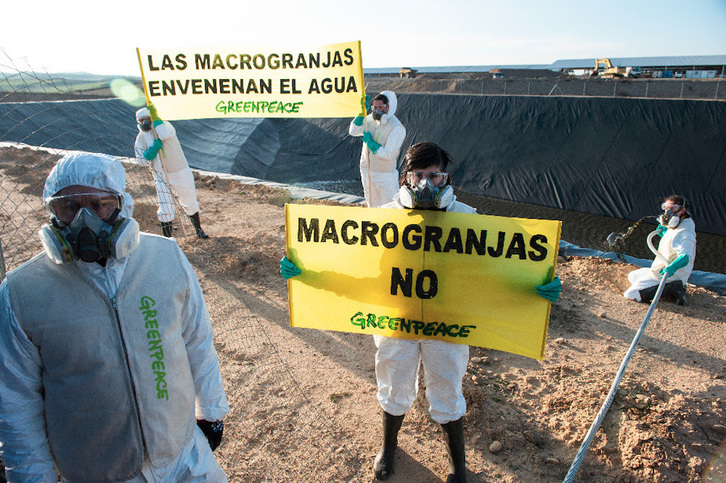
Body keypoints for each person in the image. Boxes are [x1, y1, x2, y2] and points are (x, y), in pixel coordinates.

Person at [280, 142, 561, 482]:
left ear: (447, 178)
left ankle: (457, 464)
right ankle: (389, 447)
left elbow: (496, 269)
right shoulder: (385, 218)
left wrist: (533, 285)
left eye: (434, 175)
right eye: (419, 175)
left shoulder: (469, 220)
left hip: (448, 324)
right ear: (406, 178)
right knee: (393, 381)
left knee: (447, 386)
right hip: (397, 318)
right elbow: (355, 263)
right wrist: (307, 271)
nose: (427, 183)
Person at [0, 152, 229, 482]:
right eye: (70, 207)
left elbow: (197, 340)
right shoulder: (22, 293)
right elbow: (16, 405)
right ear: (53, 213)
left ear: (123, 205)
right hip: (99, 473)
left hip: (184, 460)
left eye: (99, 204)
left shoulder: (166, 258)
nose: (84, 220)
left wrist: (211, 411)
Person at [134, 103, 209, 239]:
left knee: (189, 200)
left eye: (147, 119)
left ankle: (199, 230)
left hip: (179, 170)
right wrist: (152, 151)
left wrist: (156, 118)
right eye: (141, 121)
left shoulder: (165, 126)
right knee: (165, 207)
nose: (144, 123)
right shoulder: (141, 137)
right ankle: (167, 239)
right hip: (160, 174)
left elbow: (164, 134)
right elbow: (140, 160)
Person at [624, 195, 696, 305]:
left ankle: (672, 287)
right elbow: (674, 242)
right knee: (632, 276)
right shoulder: (680, 224)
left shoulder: (685, 232)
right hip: (661, 270)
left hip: (670, 274)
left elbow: (686, 257)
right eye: (666, 208)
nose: (668, 212)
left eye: (673, 208)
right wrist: (663, 232)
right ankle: (677, 287)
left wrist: (672, 267)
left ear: (683, 210)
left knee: (631, 294)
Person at [349, 91, 406, 207]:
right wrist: (361, 113)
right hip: (368, 172)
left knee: (390, 207)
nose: (377, 110)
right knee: (372, 206)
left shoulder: (397, 127)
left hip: (385, 176)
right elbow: (353, 131)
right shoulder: (370, 120)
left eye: (381, 107)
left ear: (388, 107)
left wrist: (371, 143)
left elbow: (388, 154)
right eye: (375, 107)